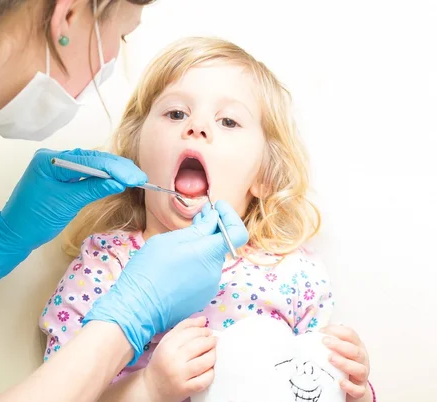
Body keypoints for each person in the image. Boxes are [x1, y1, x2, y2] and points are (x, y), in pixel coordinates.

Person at [0, 2, 249, 402]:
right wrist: (128, 323)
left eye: (229, 121)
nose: (197, 128)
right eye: (121, 36)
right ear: (67, 15)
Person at [40, 37, 376, 402]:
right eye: (176, 114)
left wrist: (348, 385)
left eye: (229, 121)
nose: (197, 126)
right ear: (137, 153)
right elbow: (64, 391)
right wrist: (149, 388)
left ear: (264, 177)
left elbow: (309, 385)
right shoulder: (103, 266)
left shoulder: (293, 273)